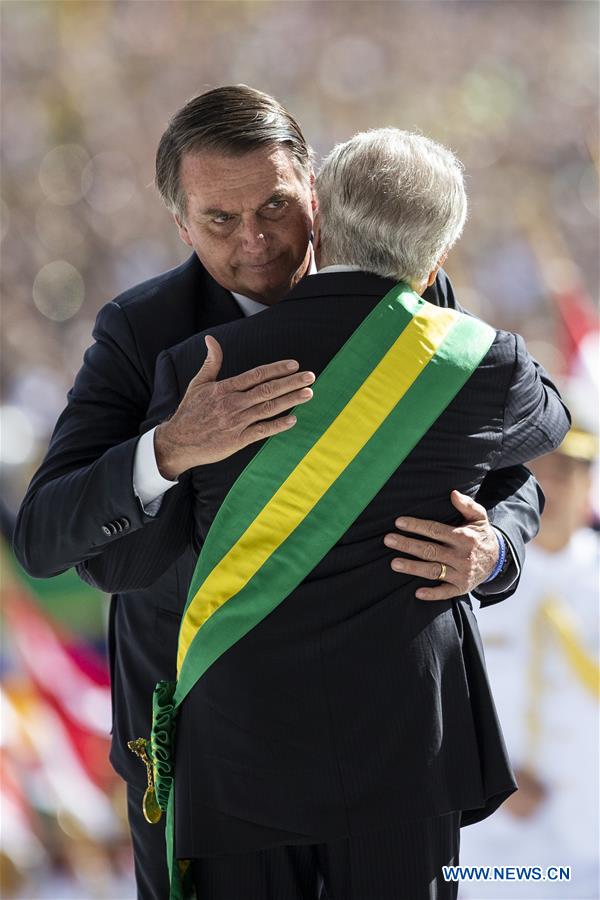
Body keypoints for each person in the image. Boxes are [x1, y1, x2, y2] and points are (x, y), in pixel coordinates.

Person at [13, 86, 545, 899]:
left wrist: (493, 548)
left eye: (274, 206)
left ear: (317, 198)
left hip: (391, 741)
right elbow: (47, 536)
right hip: (206, 742)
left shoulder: (408, 295)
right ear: (181, 225)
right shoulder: (143, 330)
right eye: (220, 221)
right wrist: (168, 449)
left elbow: (512, 471)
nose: (256, 239)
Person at [459, 418, 599, 899]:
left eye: (569, 472)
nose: (554, 487)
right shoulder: (478, 577)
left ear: (589, 484)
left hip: (588, 837)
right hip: (489, 836)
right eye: (542, 474)